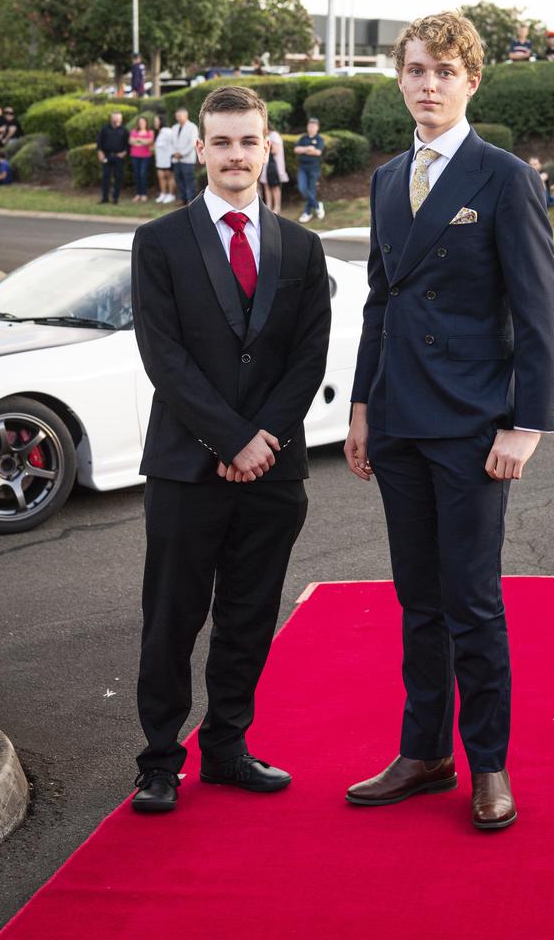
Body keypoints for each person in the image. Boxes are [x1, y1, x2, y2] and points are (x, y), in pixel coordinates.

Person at [343, 11, 554, 830]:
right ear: (399, 79)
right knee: (418, 598)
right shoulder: (386, 176)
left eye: (443, 71)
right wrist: (364, 407)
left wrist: (525, 426)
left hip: (473, 425)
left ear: (472, 80)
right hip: (398, 419)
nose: (427, 84)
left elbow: (540, 316)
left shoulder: (504, 177)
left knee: (472, 601)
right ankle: (425, 750)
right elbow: (379, 301)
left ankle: (490, 765)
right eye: (414, 70)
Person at [130, 84, 331, 813]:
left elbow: (308, 358)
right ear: (200, 149)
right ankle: (159, 760)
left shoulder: (302, 249)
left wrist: (262, 442)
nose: (236, 154)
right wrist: (230, 438)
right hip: (187, 467)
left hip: (274, 473)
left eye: (249, 141)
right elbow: (164, 357)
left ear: (267, 145)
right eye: (222, 142)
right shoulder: (158, 242)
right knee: (173, 618)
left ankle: (226, 747)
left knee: (249, 617)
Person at [294, 117, 325, 223]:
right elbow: (296, 149)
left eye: (313, 126)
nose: (311, 128)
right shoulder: (303, 138)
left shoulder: (319, 139)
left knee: (311, 190)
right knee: (302, 188)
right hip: (302, 167)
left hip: (314, 168)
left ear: (317, 127)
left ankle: (307, 212)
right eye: (309, 126)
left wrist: (305, 150)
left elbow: (318, 152)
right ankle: (317, 205)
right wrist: (308, 149)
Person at [96, 111, 129, 204]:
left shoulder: (124, 130)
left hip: (118, 157)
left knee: (118, 177)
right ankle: (105, 198)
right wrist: (100, 152)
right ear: (111, 118)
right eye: (115, 118)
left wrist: (124, 153)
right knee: (105, 177)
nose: (116, 120)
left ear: (121, 119)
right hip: (106, 156)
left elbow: (127, 144)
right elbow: (99, 141)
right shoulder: (105, 128)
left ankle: (115, 198)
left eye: (118, 118)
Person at [171, 107, 199, 205]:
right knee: (179, 180)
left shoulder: (192, 127)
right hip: (176, 159)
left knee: (189, 181)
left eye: (180, 116)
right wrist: (174, 153)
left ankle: (191, 201)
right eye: (177, 116)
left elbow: (193, 143)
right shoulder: (174, 127)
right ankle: (183, 200)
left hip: (187, 160)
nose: (178, 118)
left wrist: (181, 154)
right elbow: (171, 142)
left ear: (186, 116)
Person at [259, 122, 289, 214]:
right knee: (266, 186)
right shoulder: (268, 136)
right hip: (267, 165)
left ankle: (277, 207)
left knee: (275, 187)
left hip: (274, 165)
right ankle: (268, 207)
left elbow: (275, 150)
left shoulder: (274, 135)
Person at [129, 115, 154, 202]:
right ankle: (138, 194)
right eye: (140, 122)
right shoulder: (134, 131)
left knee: (143, 175)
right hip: (135, 156)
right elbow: (131, 142)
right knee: (137, 175)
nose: (141, 124)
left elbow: (149, 142)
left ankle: (144, 194)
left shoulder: (150, 132)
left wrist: (138, 140)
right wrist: (143, 141)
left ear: (146, 123)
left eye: (143, 122)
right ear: (138, 123)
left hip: (145, 156)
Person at [153, 112, 176, 204]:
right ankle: (163, 194)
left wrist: (173, 154)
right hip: (160, 160)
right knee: (161, 176)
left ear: (161, 121)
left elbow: (174, 142)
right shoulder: (158, 132)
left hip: (168, 159)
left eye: (156, 121)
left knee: (169, 177)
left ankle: (171, 195)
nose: (154, 123)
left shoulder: (168, 131)